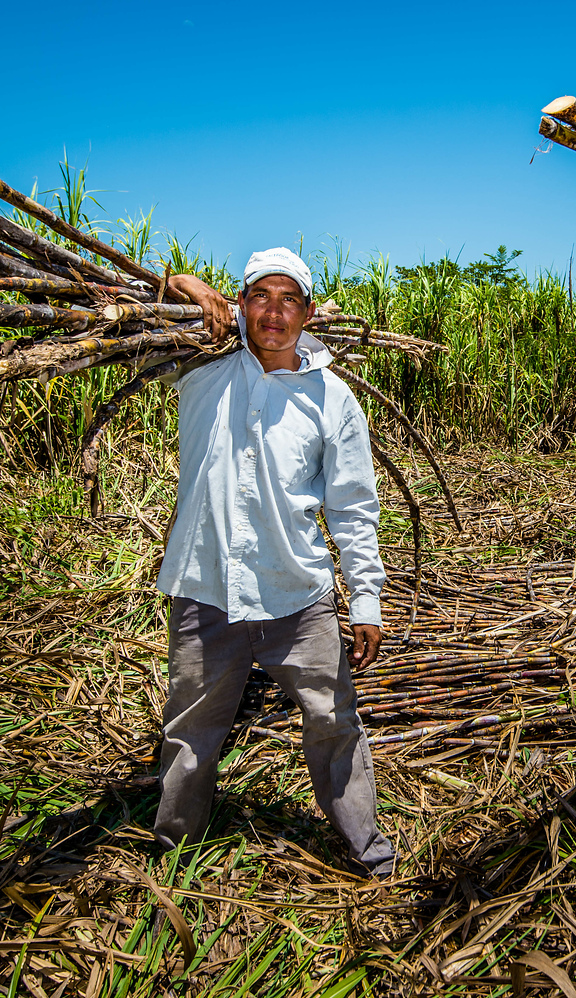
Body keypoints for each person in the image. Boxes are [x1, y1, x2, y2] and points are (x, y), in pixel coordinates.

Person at [149, 246, 396, 878]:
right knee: (190, 733)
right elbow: (142, 299)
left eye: (290, 300)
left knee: (334, 722)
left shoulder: (332, 398)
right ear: (240, 304)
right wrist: (181, 281)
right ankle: (174, 850)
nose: (274, 313)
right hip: (206, 589)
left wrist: (364, 600)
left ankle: (367, 850)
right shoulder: (201, 365)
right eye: (261, 296)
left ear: (309, 314)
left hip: (298, 594)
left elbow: (351, 507)